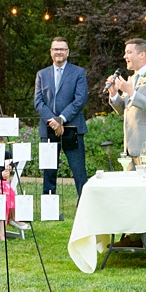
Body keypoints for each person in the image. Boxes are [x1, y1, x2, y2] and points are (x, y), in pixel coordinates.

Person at [33, 35, 91, 199]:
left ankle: (84, 206)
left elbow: (80, 99)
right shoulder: (41, 74)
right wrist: (53, 121)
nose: (59, 52)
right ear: (51, 52)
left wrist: (61, 119)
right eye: (55, 49)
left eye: (62, 49)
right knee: (48, 171)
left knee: (79, 172)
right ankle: (49, 209)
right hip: (48, 129)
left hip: (72, 128)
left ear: (68, 52)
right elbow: (38, 102)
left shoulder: (78, 72)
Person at [106, 38, 146, 160]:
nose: (125, 56)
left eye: (129, 52)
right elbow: (124, 109)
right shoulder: (133, 78)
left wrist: (131, 91)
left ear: (142, 55)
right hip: (130, 149)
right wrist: (114, 93)